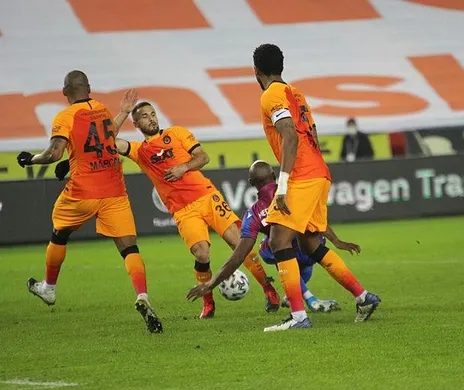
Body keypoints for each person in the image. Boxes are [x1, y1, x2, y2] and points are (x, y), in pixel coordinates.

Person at [187, 44, 381, 332]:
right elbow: (312, 133)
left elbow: (290, 135)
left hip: (303, 176)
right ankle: (363, 297)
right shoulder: (295, 93)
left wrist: (283, 184)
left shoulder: (271, 95)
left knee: (278, 242)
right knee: (310, 243)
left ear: (256, 71)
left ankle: (299, 317)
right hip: (319, 173)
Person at [17, 71, 163, 334]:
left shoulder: (65, 116)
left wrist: (31, 159)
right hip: (114, 190)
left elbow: (53, 153)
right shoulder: (102, 109)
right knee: (129, 249)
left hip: (82, 191)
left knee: (60, 233)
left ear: (65, 92)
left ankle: (49, 287)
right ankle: (142, 295)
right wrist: (121, 113)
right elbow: (104, 140)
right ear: (89, 88)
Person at [109, 98, 280, 319]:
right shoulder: (139, 150)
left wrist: (183, 167)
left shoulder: (177, 133)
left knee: (238, 242)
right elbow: (108, 140)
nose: (151, 119)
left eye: (153, 114)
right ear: (136, 124)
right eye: (144, 116)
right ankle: (208, 302)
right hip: (183, 210)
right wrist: (123, 112)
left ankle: (269, 289)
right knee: (201, 253)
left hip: (207, 197)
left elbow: (203, 157)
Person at [187, 161, 361, 313]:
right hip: (310, 250)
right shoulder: (295, 194)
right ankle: (357, 295)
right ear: (274, 176)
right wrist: (336, 241)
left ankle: (309, 299)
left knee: (270, 246)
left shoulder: (254, 213)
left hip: (285, 253)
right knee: (303, 245)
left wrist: (211, 283)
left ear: (251, 183)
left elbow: (239, 254)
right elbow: (315, 220)